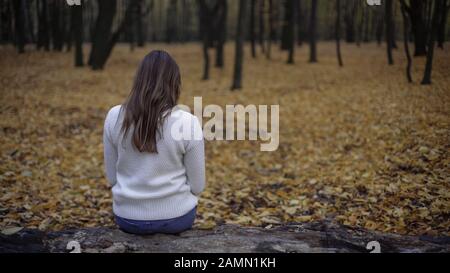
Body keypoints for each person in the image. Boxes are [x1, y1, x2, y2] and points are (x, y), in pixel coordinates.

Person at [103, 50, 205, 235]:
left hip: (127, 218)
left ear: (139, 80)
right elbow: (198, 186)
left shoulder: (114, 116)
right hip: (177, 218)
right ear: (174, 83)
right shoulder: (187, 121)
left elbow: (112, 178)